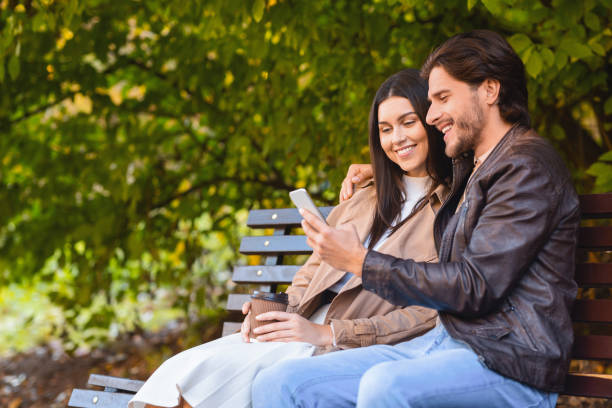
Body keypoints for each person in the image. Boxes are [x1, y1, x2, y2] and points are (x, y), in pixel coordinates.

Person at [252, 30, 580, 408]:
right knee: (281, 382)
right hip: (448, 342)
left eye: (443, 98)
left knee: (385, 386)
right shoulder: (476, 166)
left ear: (490, 90)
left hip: (511, 363)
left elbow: (475, 286)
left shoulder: (527, 167)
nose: (432, 114)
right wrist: (381, 170)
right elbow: (425, 167)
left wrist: (361, 262)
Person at [128, 68, 452, 408]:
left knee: (208, 385)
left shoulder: (451, 210)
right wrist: (278, 310)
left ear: (431, 121)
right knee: (179, 374)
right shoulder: (363, 200)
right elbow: (311, 273)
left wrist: (329, 334)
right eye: (385, 129)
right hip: (299, 327)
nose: (396, 138)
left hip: (348, 344)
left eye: (408, 122)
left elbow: (429, 313)